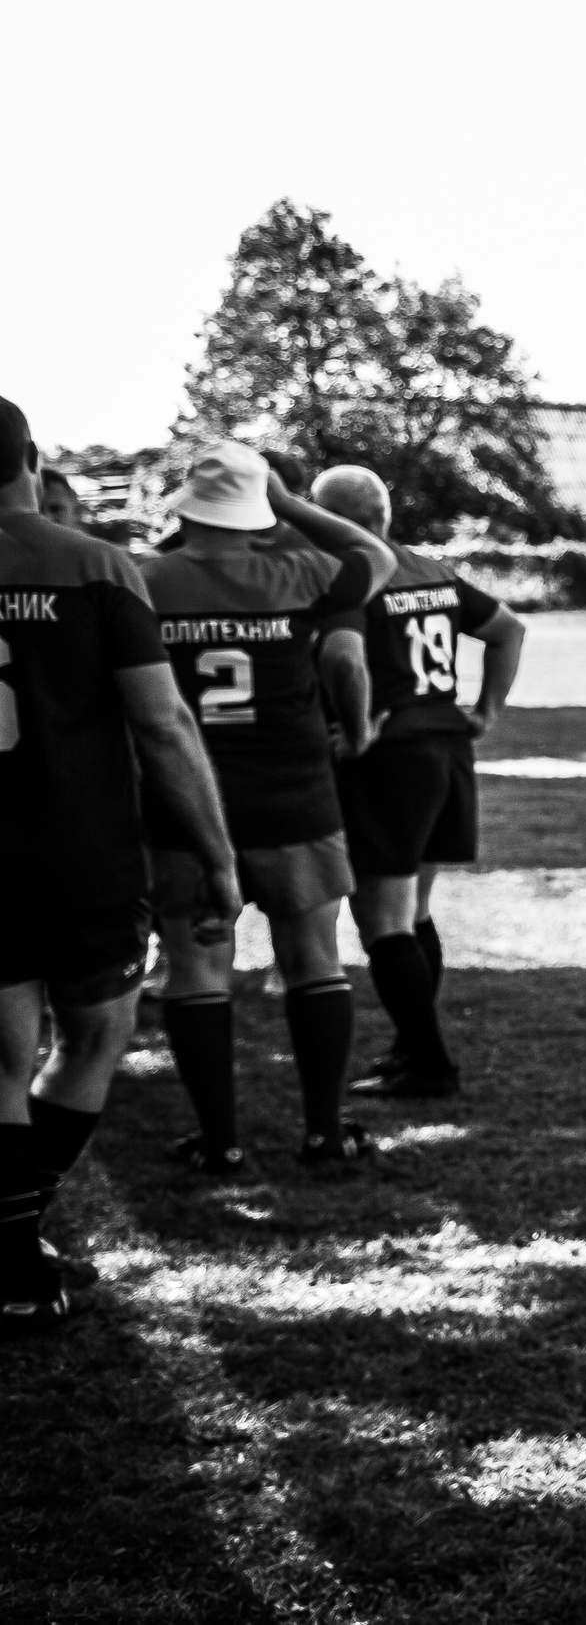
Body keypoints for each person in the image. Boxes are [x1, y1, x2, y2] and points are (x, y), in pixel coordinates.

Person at [1, 397, 239, 1333]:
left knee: (2, 1057)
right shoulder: (96, 565)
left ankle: (11, 1250)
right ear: (31, 460)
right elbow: (163, 724)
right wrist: (215, 853)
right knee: (92, 1039)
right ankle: (17, 1243)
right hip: (83, 854)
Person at [140, 444, 395, 1173]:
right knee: (313, 962)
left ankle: (219, 1143)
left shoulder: (142, 580)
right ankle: (324, 1132)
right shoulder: (305, 571)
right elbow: (374, 554)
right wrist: (286, 502)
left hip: (184, 803)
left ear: (187, 507)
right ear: (259, 508)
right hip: (295, 798)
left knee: (195, 968)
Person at [310, 466, 526, 1098]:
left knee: (383, 922)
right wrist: (485, 711)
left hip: (390, 758)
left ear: (332, 520)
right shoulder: (429, 570)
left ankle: (430, 1063)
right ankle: (412, 1050)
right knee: (414, 912)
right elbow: (508, 629)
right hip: (445, 750)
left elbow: (345, 659)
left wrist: (355, 729)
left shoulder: (353, 575)